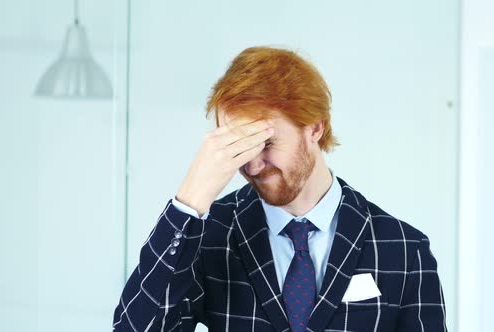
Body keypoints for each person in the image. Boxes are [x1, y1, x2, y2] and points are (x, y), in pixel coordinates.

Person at [112, 46, 447, 332]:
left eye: (266, 142)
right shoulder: (211, 236)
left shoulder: (404, 249)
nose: (253, 166)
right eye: (239, 146)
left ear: (314, 127)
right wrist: (190, 199)